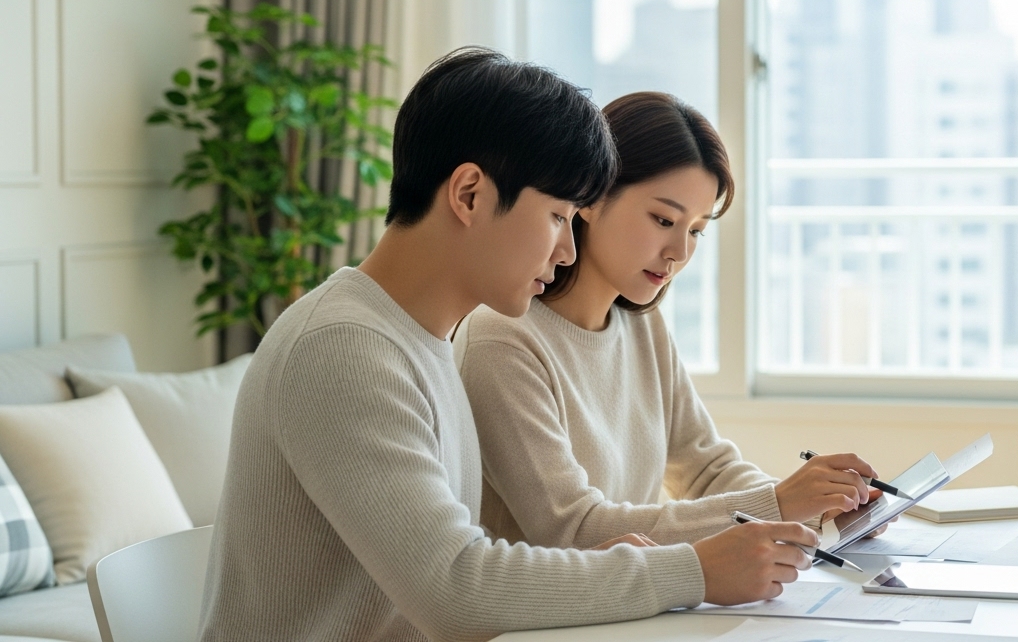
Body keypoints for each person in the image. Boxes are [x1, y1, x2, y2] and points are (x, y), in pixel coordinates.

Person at [198, 52, 817, 642]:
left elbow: (462, 570)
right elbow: (454, 588)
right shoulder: (344, 350)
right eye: (556, 216)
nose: (567, 250)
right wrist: (694, 570)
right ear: (469, 194)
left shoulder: (421, 340)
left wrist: (606, 571)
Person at [455, 91, 887, 551]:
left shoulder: (641, 324)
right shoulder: (502, 339)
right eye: (664, 219)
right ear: (591, 197)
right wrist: (779, 504)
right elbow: (573, 529)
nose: (680, 252)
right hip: (552, 620)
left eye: (697, 229)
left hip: (636, 609)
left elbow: (705, 469)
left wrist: (819, 508)